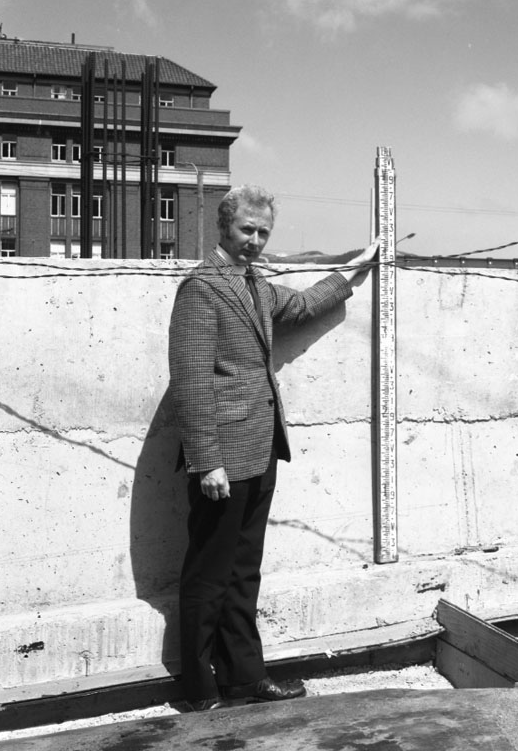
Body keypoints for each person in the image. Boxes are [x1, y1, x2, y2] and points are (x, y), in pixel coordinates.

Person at [168, 184, 377, 712]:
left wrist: (353, 268)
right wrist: (207, 460)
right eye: (247, 231)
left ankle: (243, 677)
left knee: (243, 571)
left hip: (260, 448)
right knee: (208, 573)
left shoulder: (256, 285)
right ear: (223, 227)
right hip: (222, 457)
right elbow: (190, 379)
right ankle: (198, 689)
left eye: (264, 233)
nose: (256, 241)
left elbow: (303, 305)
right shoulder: (201, 287)